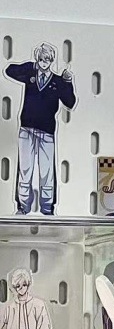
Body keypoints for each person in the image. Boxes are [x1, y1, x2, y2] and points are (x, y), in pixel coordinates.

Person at [5, 44, 77, 217]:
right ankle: (23, 207)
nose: (44, 63)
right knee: (25, 170)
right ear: (37, 59)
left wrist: (68, 83)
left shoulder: (57, 81)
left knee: (47, 172)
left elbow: (70, 102)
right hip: (26, 129)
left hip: (46, 132)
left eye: (47, 60)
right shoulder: (30, 75)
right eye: (41, 59)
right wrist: (31, 66)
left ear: (52, 61)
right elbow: (9, 71)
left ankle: (47, 208)